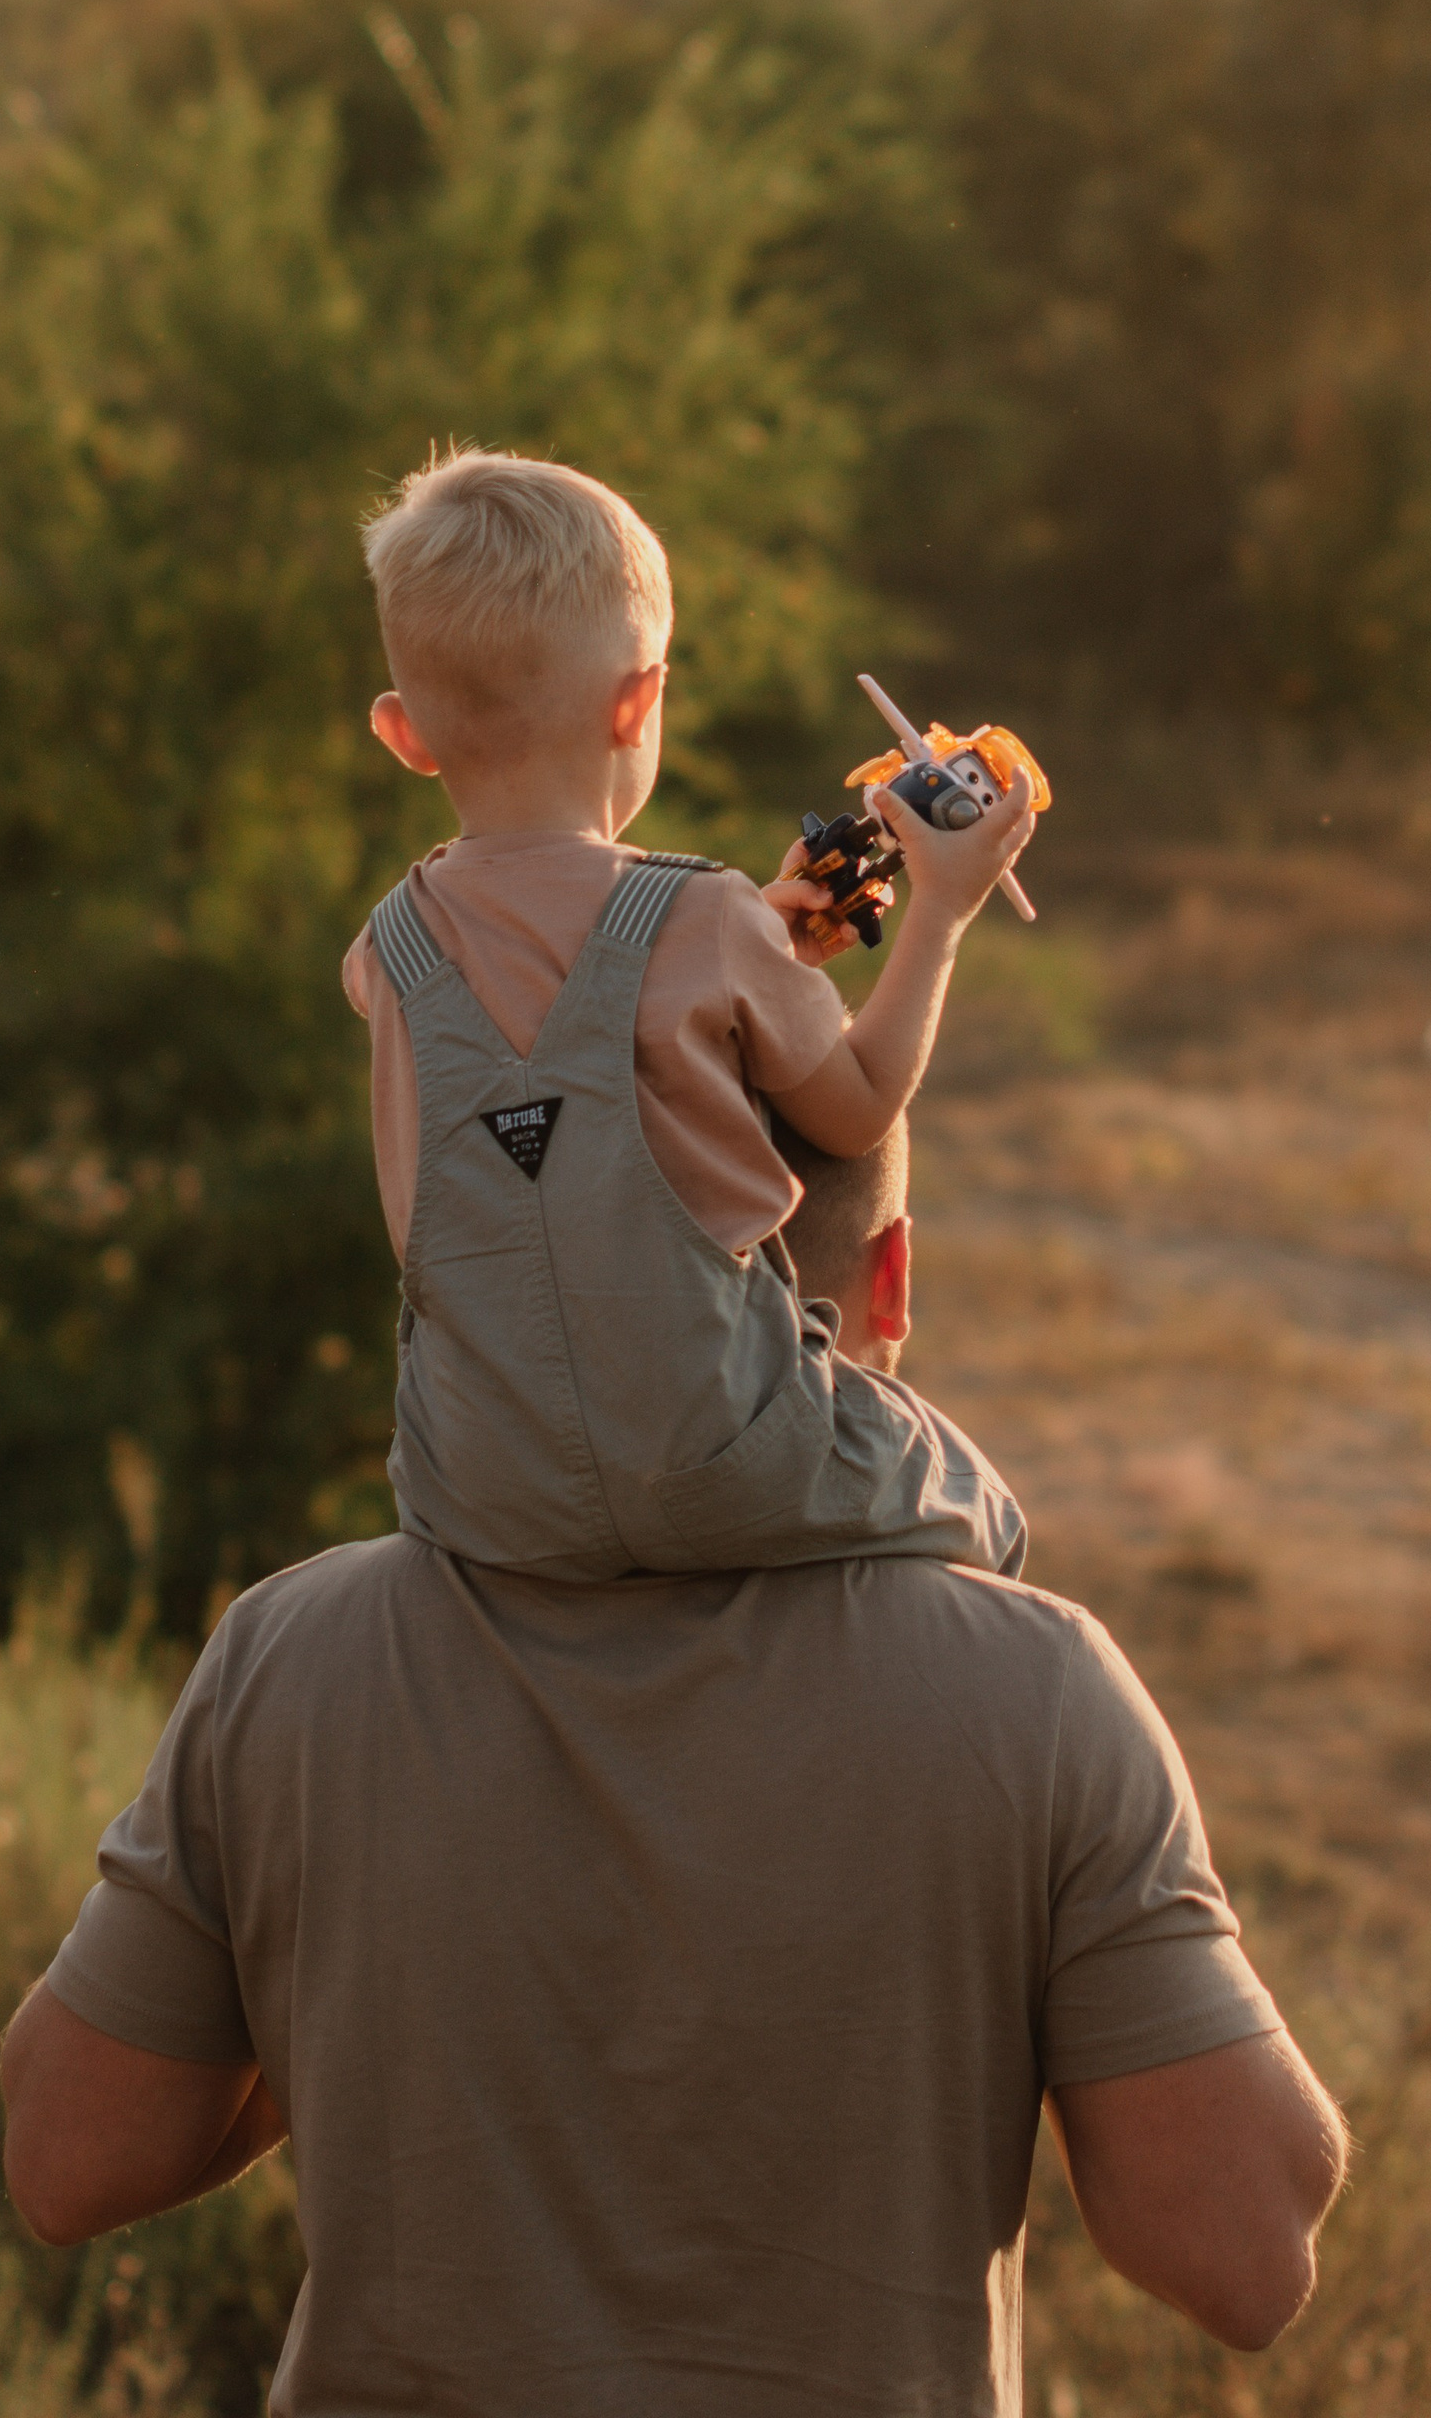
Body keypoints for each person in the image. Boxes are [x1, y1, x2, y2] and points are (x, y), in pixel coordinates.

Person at [0, 1124, 1350, 2418]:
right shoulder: (1038, 1689)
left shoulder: (296, 1655)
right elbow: (1241, 2254)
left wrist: (369, 1975)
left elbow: (66, 2159)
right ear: (891, 1274)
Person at [339, 446, 1035, 1580]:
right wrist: (941, 910)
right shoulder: (704, 917)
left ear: (403, 732)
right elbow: (855, 1111)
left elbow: (547, 1085)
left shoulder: (386, 952)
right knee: (979, 1504)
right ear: (639, 701)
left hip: (476, 1483)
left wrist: (754, 947)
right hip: (718, 1454)